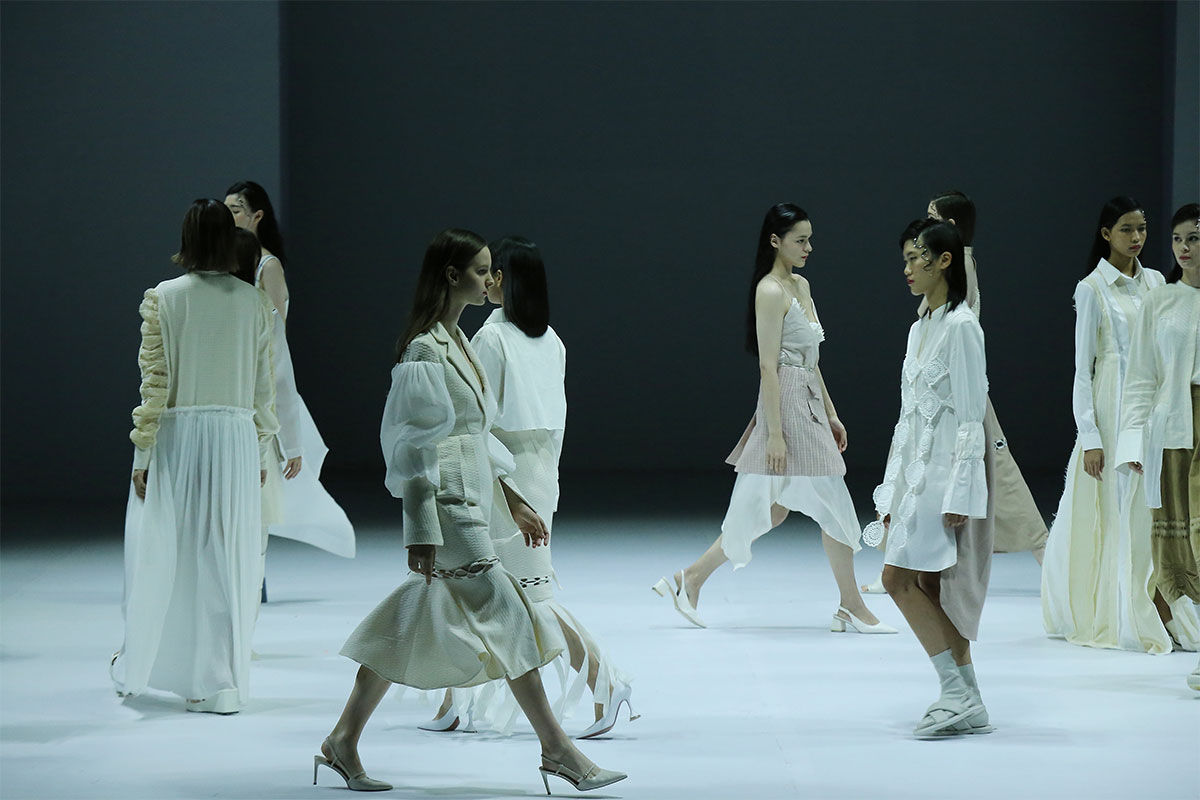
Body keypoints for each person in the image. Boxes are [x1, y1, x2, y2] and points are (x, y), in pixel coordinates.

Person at [317, 229, 625, 793]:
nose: (490, 280)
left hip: (475, 497)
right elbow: (411, 447)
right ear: (451, 275)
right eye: (481, 271)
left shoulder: (458, 340)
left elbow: (480, 433)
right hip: (449, 505)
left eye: (490, 270)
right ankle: (558, 750)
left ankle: (342, 739)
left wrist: (512, 497)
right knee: (510, 614)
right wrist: (420, 527)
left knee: (414, 616)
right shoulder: (424, 350)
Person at [426, 236, 634, 738]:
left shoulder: (491, 339)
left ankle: (605, 681)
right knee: (475, 584)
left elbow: (480, 422)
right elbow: (553, 422)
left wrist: (501, 487)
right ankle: (452, 701)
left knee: (519, 594)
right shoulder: (552, 340)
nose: (486, 280)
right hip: (539, 469)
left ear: (505, 279)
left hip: (505, 473)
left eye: (491, 272)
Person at [654, 204, 892, 634]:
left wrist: (832, 413)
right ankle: (852, 605)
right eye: (800, 240)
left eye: (810, 239)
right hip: (785, 408)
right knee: (832, 504)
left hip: (807, 405)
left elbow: (811, 361)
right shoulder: (769, 290)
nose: (808, 247)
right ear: (775, 240)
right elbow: (768, 366)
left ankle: (690, 579)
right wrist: (775, 434)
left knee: (770, 509)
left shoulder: (801, 285)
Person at [110, 199, 278, 714]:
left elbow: (154, 386)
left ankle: (160, 665)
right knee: (225, 556)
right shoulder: (252, 302)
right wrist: (261, 449)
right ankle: (217, 680)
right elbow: (263, 389)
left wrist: (143, 456)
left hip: (179, 438)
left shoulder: (164, 298)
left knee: (164, 552)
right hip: (234, 440)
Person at [861, 191, 1045, 596]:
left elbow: (964, 325)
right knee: (923, 462)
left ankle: (1045, 555)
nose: (925, 224)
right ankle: (899, 562)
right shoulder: (930, 305)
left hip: (957, 386)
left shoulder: (960, 271)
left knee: (998, 475)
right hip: (940, 387)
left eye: (933, 217)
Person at [1042, 196, 1199, 653]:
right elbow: (1082, 369)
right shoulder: (1092, 289)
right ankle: (1132, 609)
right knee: (1122, 510)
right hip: (1113, 409)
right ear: (1106, 234)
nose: (1136, 237)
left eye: (1142, 229)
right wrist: (1090, 436)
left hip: (1158, 403)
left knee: (1157, 509)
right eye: (1127, 229)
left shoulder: (1157, 282)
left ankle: (1162, 601)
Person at [863, 219, 993, 737]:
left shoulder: (962, 326)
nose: (908, 268)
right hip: (914, 472)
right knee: (926, 585)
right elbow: (909, 415)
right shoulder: (920, 329)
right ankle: (967, 697)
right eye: (905, 259)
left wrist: (961, 490)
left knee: (898, 580)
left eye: (917, 257)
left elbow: (971, 416)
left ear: (945, 260)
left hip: (944, 477)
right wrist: (893, 488)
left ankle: (957, 691)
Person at [224, 181, 355, 561]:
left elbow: (274, 342)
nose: (228, 216)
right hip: (231, 390)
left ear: (256, 215)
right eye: (226, 209)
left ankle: (252, 569)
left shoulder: (267, 266)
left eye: (235, 209)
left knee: (262, 487)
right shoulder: (224, 265)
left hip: (259, 390)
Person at [1117, 202, 1200, 689]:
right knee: (1182, 543)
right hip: (1174, 431)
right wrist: (1133, 439)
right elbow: (1142, 377)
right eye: (1177, 239)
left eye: (1194, 238)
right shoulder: (1161, 301)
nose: (1184, 248)